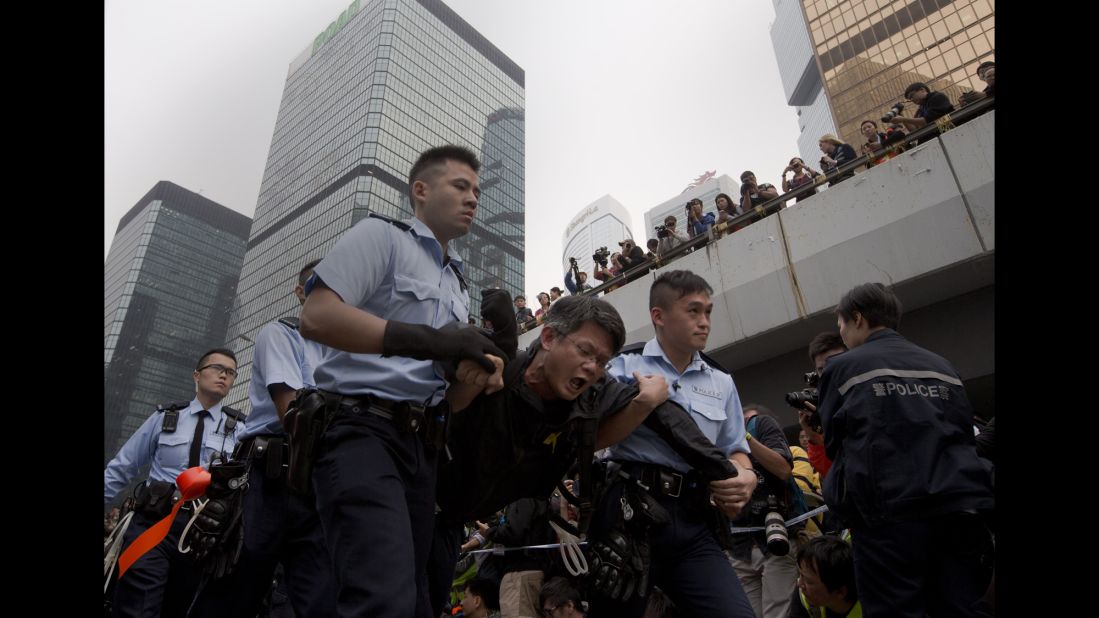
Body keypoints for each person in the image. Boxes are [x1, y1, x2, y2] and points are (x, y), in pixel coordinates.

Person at [297, 145, 506, 617]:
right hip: (360, 431)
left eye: (476, 191)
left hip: (422, 447)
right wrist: (437, 343)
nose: (473, 198)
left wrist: (486, 369)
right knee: (382, 597)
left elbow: (449, 399)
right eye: (460, 186)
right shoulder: (380, 236)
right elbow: (317, 315)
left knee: (415, 600)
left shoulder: (457, 283)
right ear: (420, 190)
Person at [818, 283, 993, 617]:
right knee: (961, 607)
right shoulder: (943, 365)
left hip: (887, 516)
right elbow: (962, 431)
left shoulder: (842, 368)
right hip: (958, 508)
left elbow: (835, 443)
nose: (841, 335)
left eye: (840, 325)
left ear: (857, 318)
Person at [592, 269, 759, 617]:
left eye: (708, 312)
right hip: (630, 515)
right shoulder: (623, 366)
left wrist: (747, 476)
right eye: (693, 311)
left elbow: (735, 448)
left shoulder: (723, 382)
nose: (704, 322)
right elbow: (593, 440)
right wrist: (642, 404)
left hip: (694, 520)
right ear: (659, 316)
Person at [188, 259, 337, 617]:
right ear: (301, 293)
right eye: (320, 283)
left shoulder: (347, 352)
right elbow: (295, 413)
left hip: (320, 483)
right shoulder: (281, 334)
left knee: (316, 598)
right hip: (268, 480)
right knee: (235, 586)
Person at [104, 348, 245, 618]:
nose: (224, 375)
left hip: (203, 533)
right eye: (217, 368)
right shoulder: (165, 418)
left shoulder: (238, 429)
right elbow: (122, 467)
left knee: (184, 608)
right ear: (197, 375)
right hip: (154, 523)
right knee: (139, 606)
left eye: (231, 372)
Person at [727, 403, 799, 618]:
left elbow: (783, 470)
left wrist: (745, 437)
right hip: (738, 545)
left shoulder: (761, 425)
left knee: (778, 614)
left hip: (774, 537)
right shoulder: (713, 437)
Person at [788, 535, 861, 618]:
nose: (799, 584)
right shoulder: (803, 597)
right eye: (801, 575)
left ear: (840, 591)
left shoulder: (871, 607)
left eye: (809, 582)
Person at [890, 82, 955, 143]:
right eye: (910, 99)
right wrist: (902, 116)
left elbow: (926, 120)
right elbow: (914, 130)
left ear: (922, 90)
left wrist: (903, 119)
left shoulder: (937, 97)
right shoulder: (920, 109)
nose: (912, 100)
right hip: (935, 140)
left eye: (912, 95)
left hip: (950, 136)